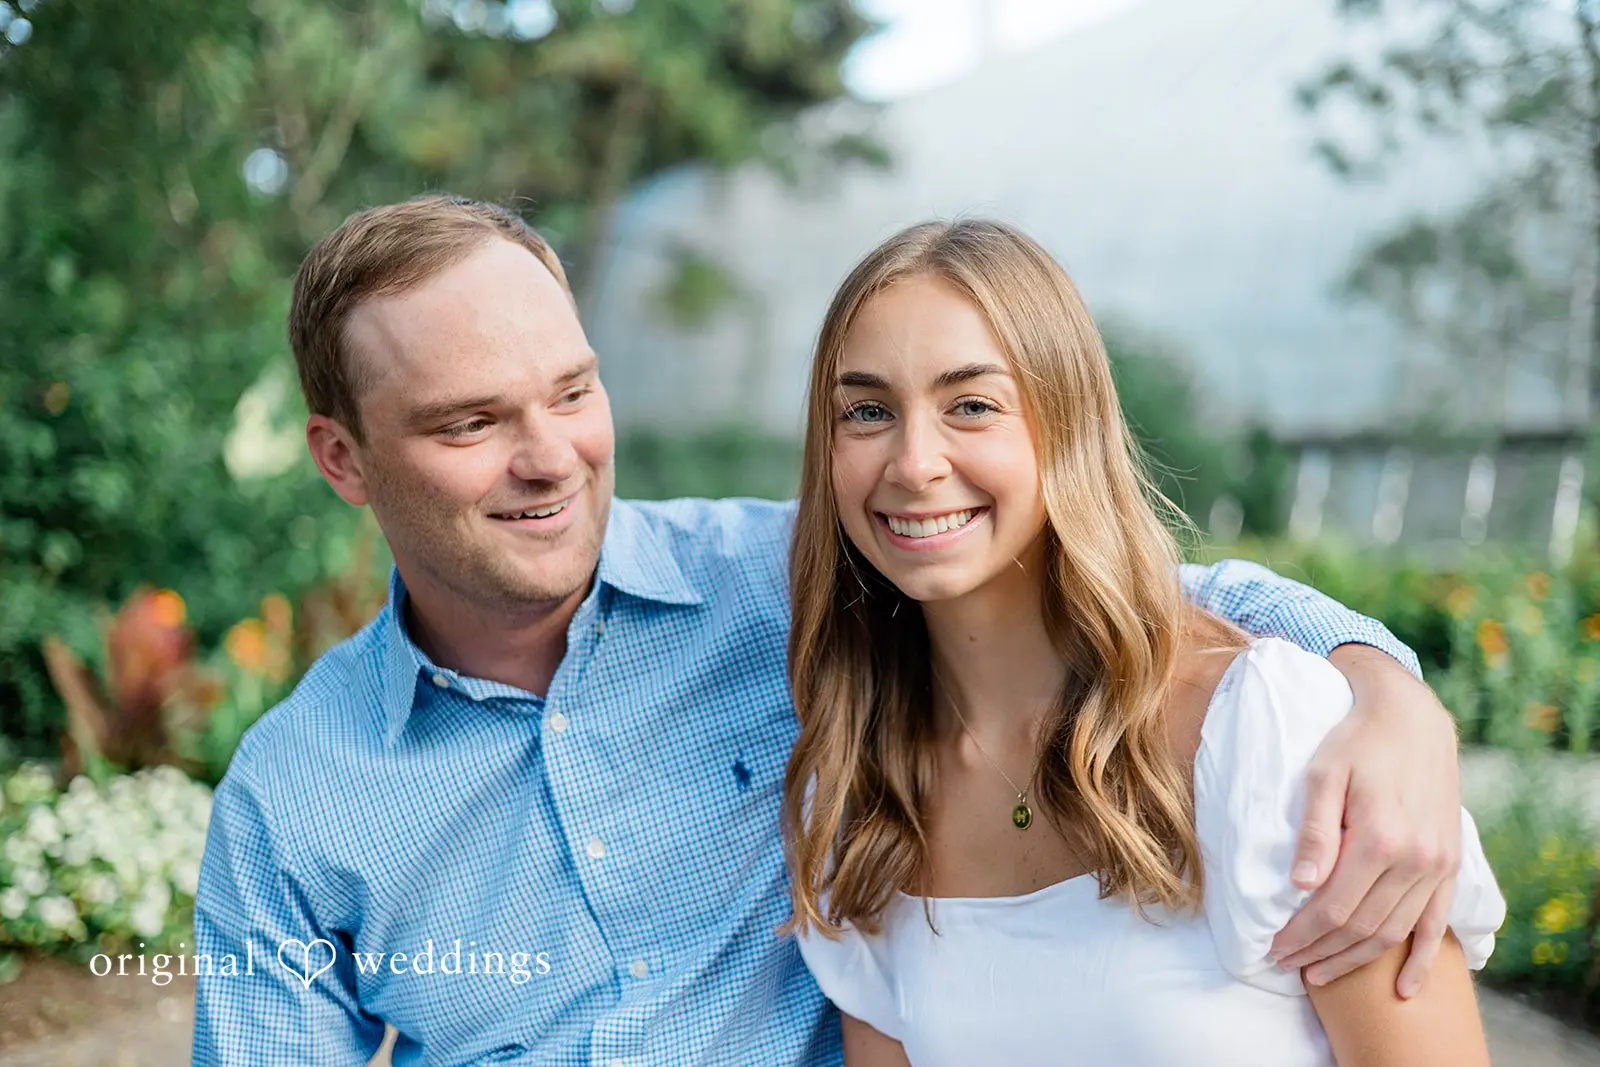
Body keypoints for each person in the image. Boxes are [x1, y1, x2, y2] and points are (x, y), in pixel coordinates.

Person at [194, 195, 1467, 1066]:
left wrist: (1382, 682)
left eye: (573, 392)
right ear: (343, 459)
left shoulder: (795, 573)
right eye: (469, 423)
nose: (549, 459)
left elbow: (1121, 572)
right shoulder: (296, 800)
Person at [785, 219, 1505, 1067]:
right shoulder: (858, 800)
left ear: (1068, 425)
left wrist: (1390, 686)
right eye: (867, 410)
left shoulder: (1260, 733)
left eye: (971, 405)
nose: (914, 461)